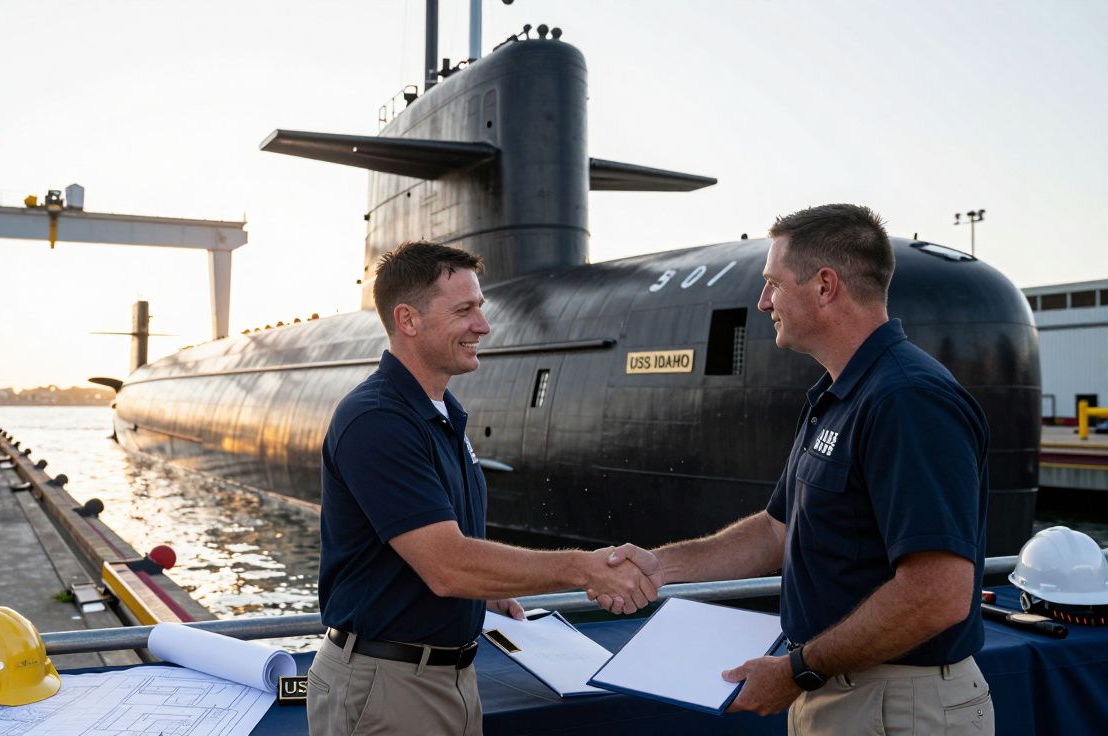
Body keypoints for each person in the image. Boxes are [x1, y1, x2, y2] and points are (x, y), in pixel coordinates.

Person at [599, 204, 994, 735]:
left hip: (898, 705)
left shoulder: (907, 400)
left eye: (773, 285)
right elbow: (777, 531)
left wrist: (798, 668)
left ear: (825, 286)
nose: (763, 302)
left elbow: (938, 592)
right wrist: (660, 567)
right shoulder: (839, 396)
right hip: (842, 690)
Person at [308, 241, 658, 736]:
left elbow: (433, 557)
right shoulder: (378, 418)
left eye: (481, 308)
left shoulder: (439, 414)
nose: (484, 325)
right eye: (464, 310)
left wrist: (484, 595)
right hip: (387, 686)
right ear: (407, 320)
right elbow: (447, 565)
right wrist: (583, 568)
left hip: (446, 676)